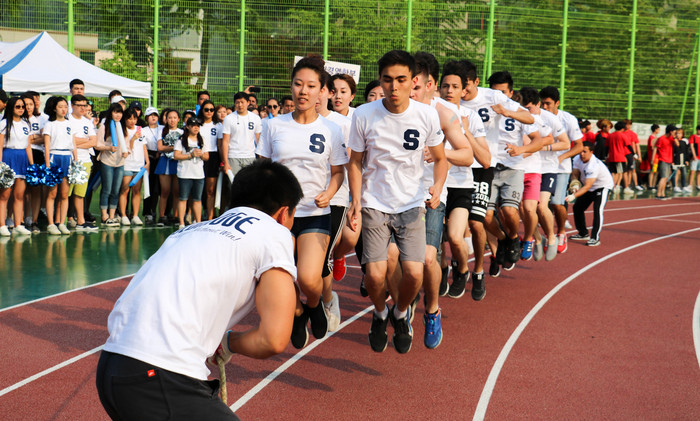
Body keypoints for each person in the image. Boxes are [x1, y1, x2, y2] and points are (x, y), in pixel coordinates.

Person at [96, 160, 302, 421]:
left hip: (112, 368)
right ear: (284, 214)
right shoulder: (274, 231)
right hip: (161, 375)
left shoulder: (189, 230)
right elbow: (273, 339)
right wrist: (228, 343)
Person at [347, 50, 447, 354]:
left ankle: (401, 313)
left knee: (415, 272)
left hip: (412, 204)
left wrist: (438, 186)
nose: (394, 86)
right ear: (380, 79)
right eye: (387, 80)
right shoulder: (364, 114)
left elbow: (441, 160)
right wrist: (355, 201)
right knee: (375, 276)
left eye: (401, 80)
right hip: (375, 202)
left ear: (413, 81)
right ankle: (379, 313)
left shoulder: (427, 115)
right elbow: (355, 162)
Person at [257, 55, 347, 350]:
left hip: (314, 212)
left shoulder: (331, 130)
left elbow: (338, 173)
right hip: (278, 217)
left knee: (309, 278)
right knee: (277, 279)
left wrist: (330, 193)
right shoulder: (272, 126)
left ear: (322, 91)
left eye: (311, 86)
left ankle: (313, 305)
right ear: (291, 87)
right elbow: (263, 170)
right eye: (298, 84)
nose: (303, 91)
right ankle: (298, 313)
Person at [410, 51, 473, 348]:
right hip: (392, 196)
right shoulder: (388, 108)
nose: (406, 91)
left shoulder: (445, 113)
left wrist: (440, 153)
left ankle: (431, 310)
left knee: (426, 257)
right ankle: (401, 302)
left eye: (414, 84)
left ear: (430, 84)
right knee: (390, 265)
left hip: (430, 194)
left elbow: (467, 154)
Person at [439, 59, 491, 289]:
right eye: (445, 86)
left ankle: (463, 268)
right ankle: (441, 270)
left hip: (460, 184)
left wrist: (467, 133)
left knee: (455, 236)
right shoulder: (430, 111)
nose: (449, 91)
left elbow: (486, 160)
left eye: (455, 86)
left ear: (464, 90)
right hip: (432, 184)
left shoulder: (472, 116)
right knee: (434, 241)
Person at [483, 71, 543, 271]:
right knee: (485, 217)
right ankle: (503, 240)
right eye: (494, 92)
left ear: (510, 92)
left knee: (509, 210)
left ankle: (513, 237)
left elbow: (538, 138)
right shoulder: (481, 108)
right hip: (488, 168)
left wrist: (521, 150)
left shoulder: (517, 112)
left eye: (502, 92)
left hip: (513, 168)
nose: (498, 97)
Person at [519, 87, 569, 262]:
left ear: (538, 105)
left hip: (547, 168)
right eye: (523, 108)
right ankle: (537, 239)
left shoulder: (550, 120)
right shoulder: (518, 116)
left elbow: (565, 143)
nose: (526, 112)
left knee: (541, 206)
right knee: (524, 209)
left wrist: (542, 147)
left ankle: (552, 237)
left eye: (530, 108)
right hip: (526, 167)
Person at [538, 86, 584, 254]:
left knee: (557, 203)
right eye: (542, 103)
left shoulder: (568, 119)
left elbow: (579, 146)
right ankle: (544, 236)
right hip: (540, 166)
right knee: (537, 205)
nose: (544, 107)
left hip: (560, 167)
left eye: (548, 104)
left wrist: (561, 158)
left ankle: (561, 233)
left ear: (557, 103)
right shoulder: (538, 116)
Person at [567, 141, 614, 246]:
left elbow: (588, 185)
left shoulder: (593, 165)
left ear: (591, 152)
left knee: (597, 210)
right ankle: (583, 233)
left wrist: (573, 196)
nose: (581, 154)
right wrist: (575, 185)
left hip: (601, 187)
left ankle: (595, 238)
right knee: (577, 208)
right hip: (588, 187)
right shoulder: (577, 159)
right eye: (580, 151)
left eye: (584, 152)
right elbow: (575, 174)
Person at [0, 97, 34, 236]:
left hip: (22, 159)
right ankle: (2, 224)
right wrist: (0, 164)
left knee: (19, 194)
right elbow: (0, 145)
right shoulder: (4, 123)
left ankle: (18, 223)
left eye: (22, 107)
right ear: (11, 108)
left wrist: (32, 165)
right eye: (18, 106)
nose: (21, 109)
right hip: (8, 157)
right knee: (5, 194)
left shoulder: (26, 124)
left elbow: (28, 146)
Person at [43, 97, 77, 235]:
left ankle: (62, 223)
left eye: (65, 106)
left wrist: (76, 161)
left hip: (67, 158)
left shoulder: (70, 124)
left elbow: (73, 144)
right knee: (52, 193)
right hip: (54, 157)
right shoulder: (50, 125)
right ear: (54, 108)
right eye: (60, 106)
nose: (63, 109)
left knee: (64, 194)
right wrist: (47, 164)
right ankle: (51, 224)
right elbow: (46, 145)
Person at [94, 103, 128, 227]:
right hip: (107, 161)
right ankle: (104, 215)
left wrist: (126, 152)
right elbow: (97, 145)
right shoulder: (104, 127)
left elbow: (127, 144)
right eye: (115, 112)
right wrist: (109, 148)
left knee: (116, 190)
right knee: (107, 189)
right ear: (111, 113)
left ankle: (112, 216)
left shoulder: (123, 127)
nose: (118, 115)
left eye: (120, 112)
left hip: (120, 162)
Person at [68, 94, 98, 231]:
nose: (82, 108)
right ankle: (62, 220)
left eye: (84, 105)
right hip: (69, 160)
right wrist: (81, 141)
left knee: (80, 193)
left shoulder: (87, 122)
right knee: (65, 193)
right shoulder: (67, 120)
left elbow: (94, 141)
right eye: (79, 105)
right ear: (72, 105)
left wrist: (76, 141)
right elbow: (68, 141)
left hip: (85, 160)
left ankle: (80, 221)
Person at [174, 117, 209, 229]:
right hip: (184, 173)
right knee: (183, 198)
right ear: (187, 127)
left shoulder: (202, 139)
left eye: (198, 126)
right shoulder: (181, 140)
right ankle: (181, 223)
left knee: (197, 199)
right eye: (193, 125)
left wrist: (201, 155)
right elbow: (176, 155)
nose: (196, 128)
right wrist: (190, 155)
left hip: (198, 173)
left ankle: (198, 222)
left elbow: (207, 156)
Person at [118, 108, 149, 226]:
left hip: (139, 165)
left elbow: (144, 147)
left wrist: (147, 162)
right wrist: (133, 139)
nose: (132, 121)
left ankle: (135, 215)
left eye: (134, 118)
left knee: (137, 191)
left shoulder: (140, 130)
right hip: (127, 164)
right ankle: (124, 215)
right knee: (125, 190)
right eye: (129, 118)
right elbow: (126, 148)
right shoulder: (122, 131)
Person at [221, 92, 262, 179]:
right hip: (233, 157)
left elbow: (259, 139)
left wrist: (261, 158)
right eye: (237, 102)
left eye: (242, 102)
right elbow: (225, 141)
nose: (240, 105)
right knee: (234, 185)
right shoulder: (229, 119)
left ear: (248, 103)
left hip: (250, 157)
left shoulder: (255, 118)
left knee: (249, 185)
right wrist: (226, 162)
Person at [21, 93, 46, 233]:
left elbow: (43, 138)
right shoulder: (17, 120)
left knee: (36, 189)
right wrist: (32, 138)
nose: (28, 107)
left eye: (31, 104)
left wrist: (30, 139)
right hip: (22, 155)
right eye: (26, 104)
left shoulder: (40, 119)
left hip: (37, 155)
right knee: (22, 190)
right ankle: (22, 218)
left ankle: (34, 220)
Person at [155, 109, 182, 226]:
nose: (172, 120)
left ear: (178, 119)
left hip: (178, 162)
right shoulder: (161, 130)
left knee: (176, 191)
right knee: (165, 191)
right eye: (170, 117)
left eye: (174, 117)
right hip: (164, 161)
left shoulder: (182, 132)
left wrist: (170, 147)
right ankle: (162, 216)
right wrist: (174, 147)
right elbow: (160, 148)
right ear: (166, 119)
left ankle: (176, 216)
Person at [197, 100, 222, 221]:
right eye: (206, 109)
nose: (209, 112)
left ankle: (210, 217)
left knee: (210, 190)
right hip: (199, 156)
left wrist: (222, 160)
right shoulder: (197, 124)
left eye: (212, 110)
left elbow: (221, 144)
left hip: (213, 157)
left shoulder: (218, 125)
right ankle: (193, 216)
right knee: (196, 188)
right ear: (202, 110)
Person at [141, 107, 163, 224]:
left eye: (155, 115)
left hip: (162, 157)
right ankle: (148, 212)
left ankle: (160, 212)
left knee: (161, 188)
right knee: (149, 187)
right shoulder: (143, 130)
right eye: (150, 115)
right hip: (148, 158)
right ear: (146, 118)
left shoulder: (163, 128)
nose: (153, 117)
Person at [650, 124, 678, 200]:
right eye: (674, 131)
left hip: (669, 160)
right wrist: (653, 159)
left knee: (665, 178)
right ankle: (658, 194)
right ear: (670, 131)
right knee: (663, 177)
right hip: (663, 159)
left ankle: (663, 193)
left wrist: (674, 136)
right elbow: (656, 148)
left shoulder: (671, 138)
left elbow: (677, 144)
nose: (675, 132)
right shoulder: (662, 138)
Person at [688, 125, 700, 190]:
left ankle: (698, 185)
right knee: (692, 171)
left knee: (699, 171)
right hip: (695, 157)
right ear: (697, 130)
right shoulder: (693, 137)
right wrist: (694, 155)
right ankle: (690, 184)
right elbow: (692, 146)